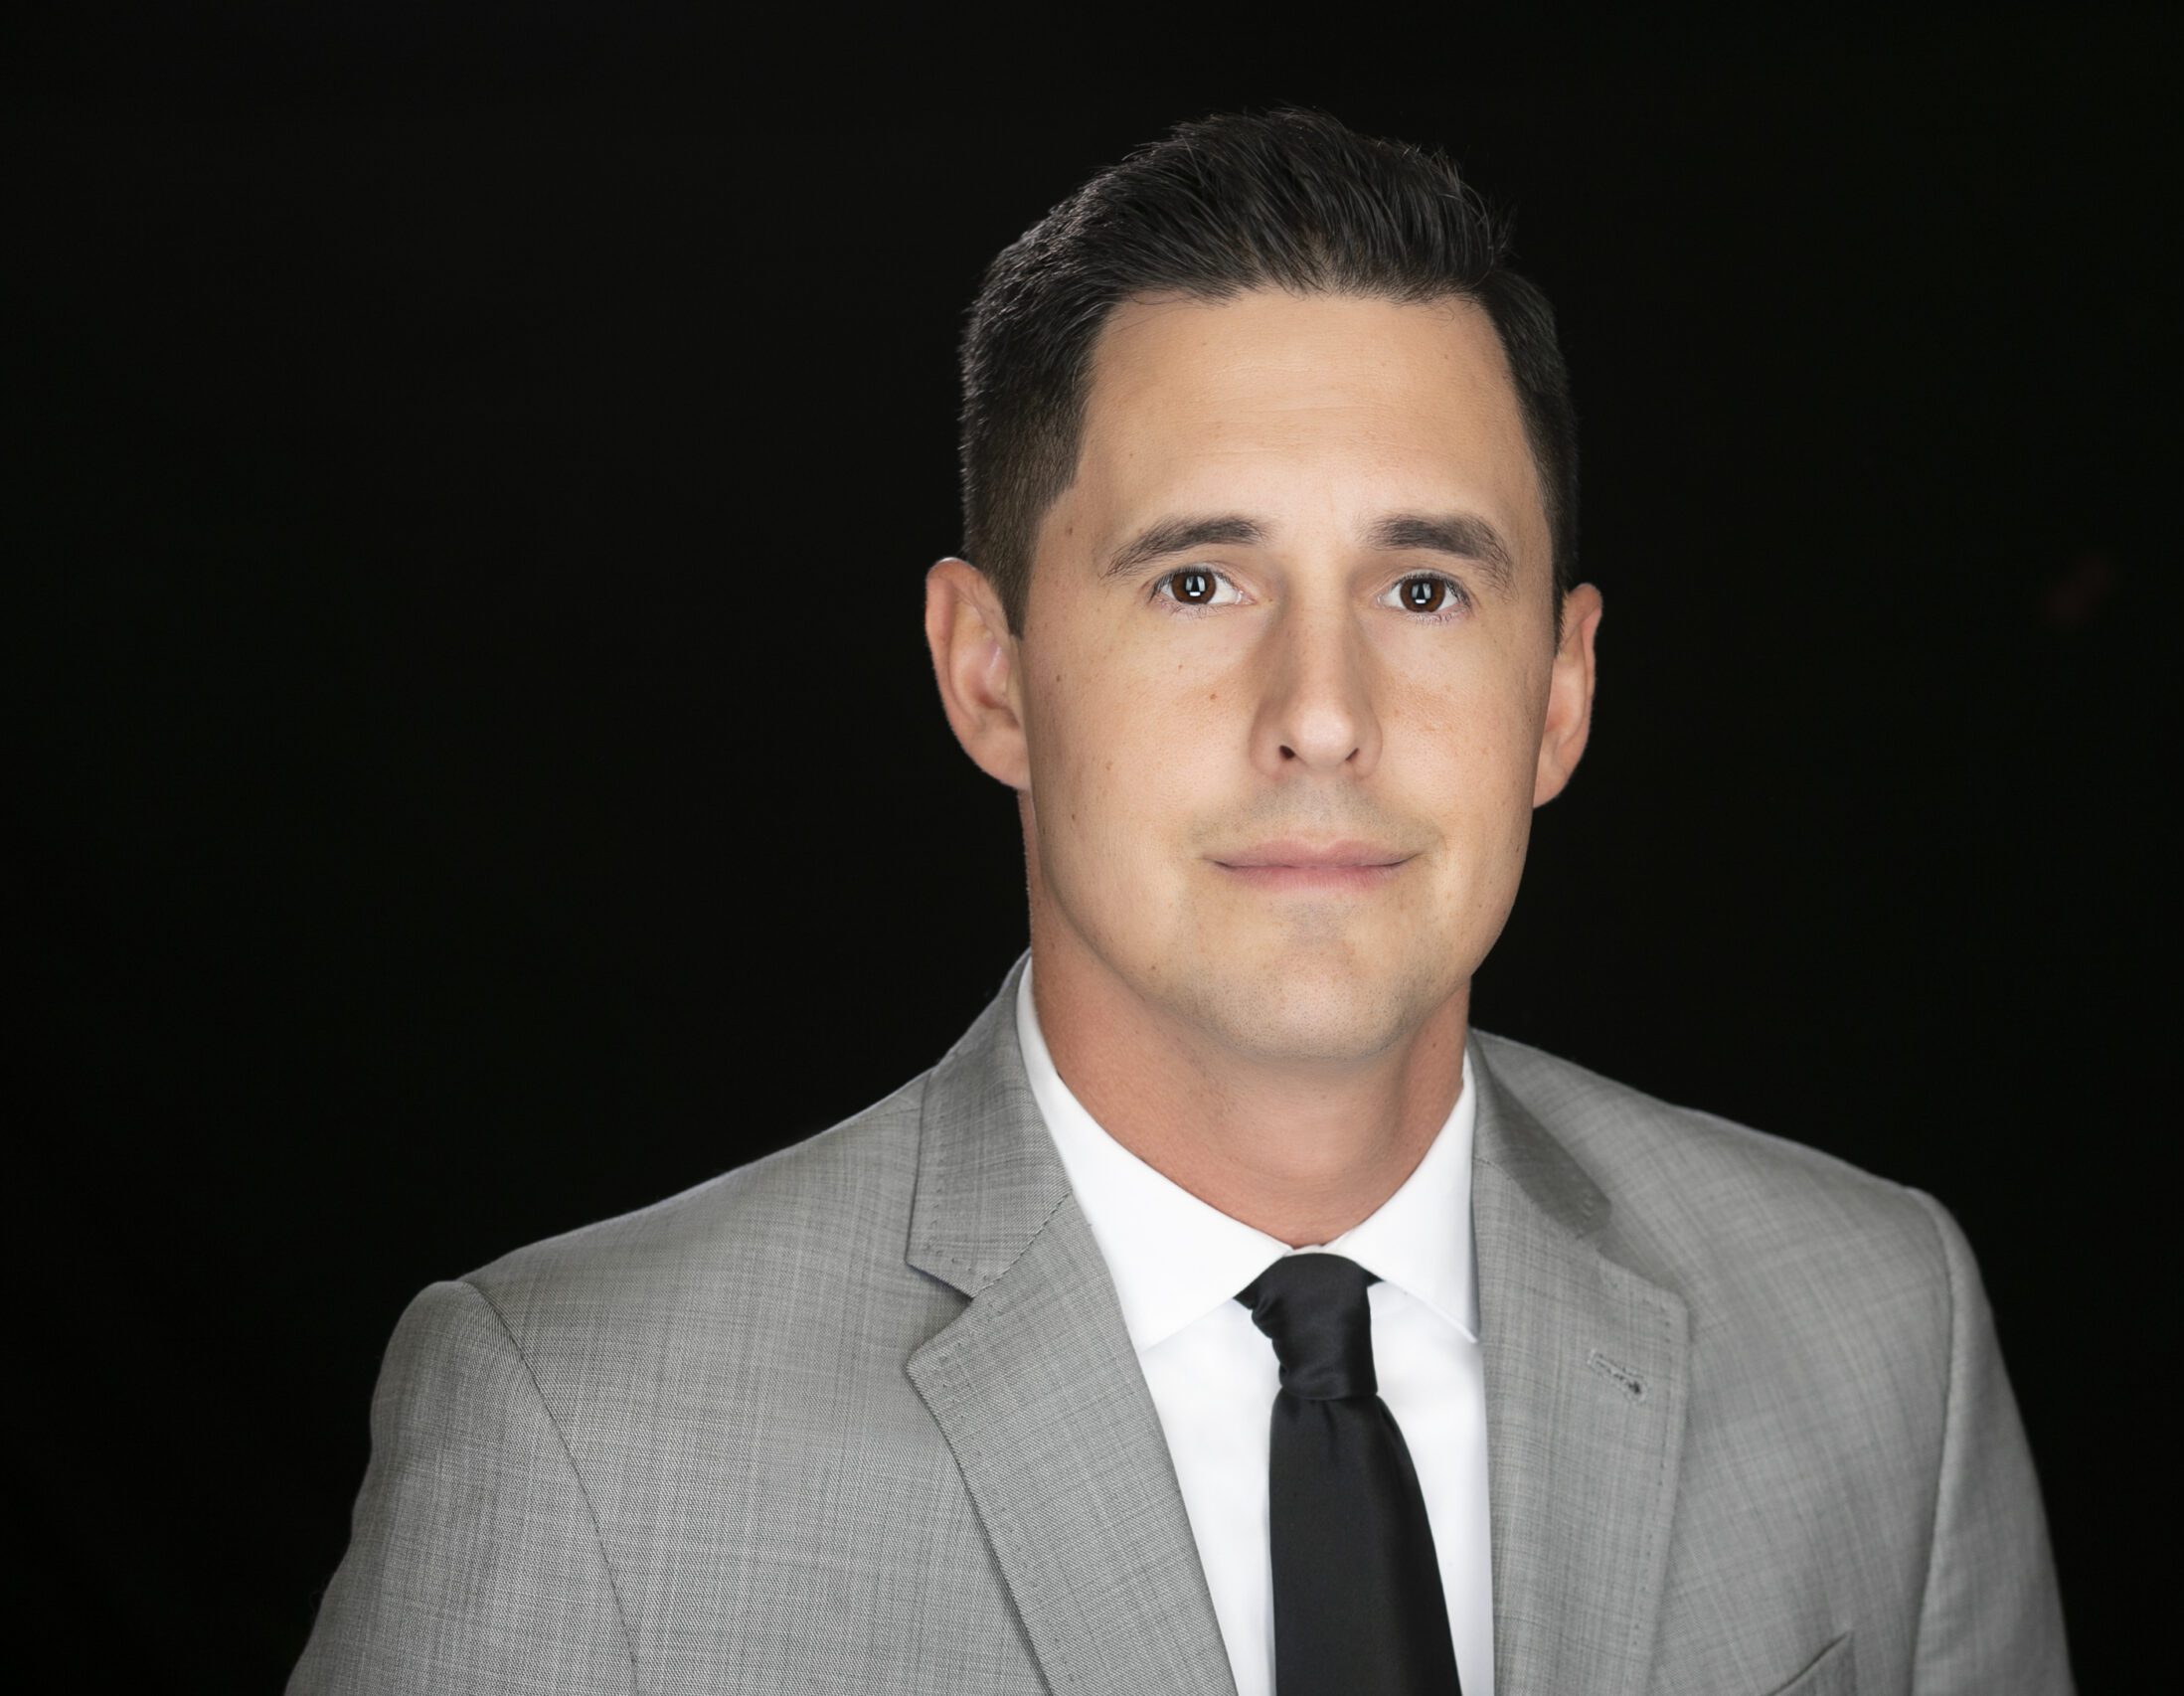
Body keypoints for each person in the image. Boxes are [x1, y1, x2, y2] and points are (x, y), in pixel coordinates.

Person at [290, 109, 2071, 1696]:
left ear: (1562, 692)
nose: (1322, 712)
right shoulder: (582, 1436)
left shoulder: (1876, 1332)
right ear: (989, 671)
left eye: (1425, 589)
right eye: (1201, 580)